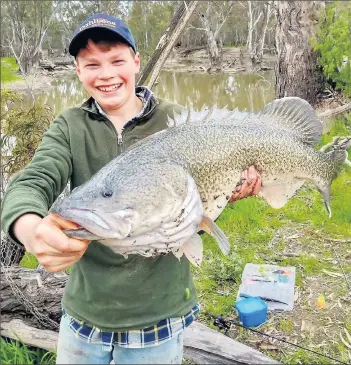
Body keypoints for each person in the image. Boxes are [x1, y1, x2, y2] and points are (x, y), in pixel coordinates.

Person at [1, 13, 261, 364]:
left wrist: (232, 190)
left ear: (136, 62)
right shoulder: (69, 126)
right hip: (85, 315)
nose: (106, 74)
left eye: (117, 60)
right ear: (78, 71)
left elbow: (197, 203)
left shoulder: (176, 121)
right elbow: (34, 179)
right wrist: (30, 229)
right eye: (92, 64)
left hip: (159, 315)